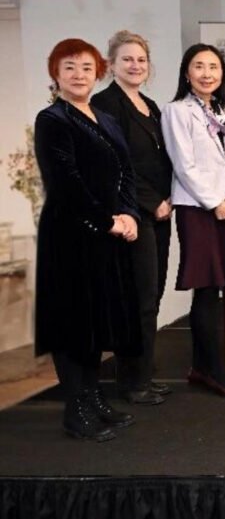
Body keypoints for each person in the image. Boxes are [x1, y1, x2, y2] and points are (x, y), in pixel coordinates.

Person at [35, 38, 139, 441]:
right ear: (56, 74)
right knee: (73, 322)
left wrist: (128, 214)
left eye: (86, 67)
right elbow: (66, 181)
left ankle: (94, 397)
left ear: (98, 72)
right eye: (69, 67)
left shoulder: (105, 118)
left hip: (107, 234)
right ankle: (75, 408)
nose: (79, 75)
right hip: (70, 235)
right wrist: (105, 220)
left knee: (97, 320)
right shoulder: (52, 119)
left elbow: (125, 172)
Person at [92, 30, 173, 406]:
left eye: (141, 60)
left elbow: (160, 159)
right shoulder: (105, 104)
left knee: (152, 296)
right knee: (138, 299)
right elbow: (115, 163)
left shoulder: (150, 105)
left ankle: (143, 375)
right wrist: (151, 202)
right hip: (133, 215)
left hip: (160, 212)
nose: (135, 65)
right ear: (111, 65)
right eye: (127, 59)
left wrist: (168, 197)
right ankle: (133, 382)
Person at [162, 44, 225, 398]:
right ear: (187, 73)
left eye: (213, 66)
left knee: (215, 287)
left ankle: (201, 366)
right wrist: (215, 203)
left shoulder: (223, 111)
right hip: (198, 209)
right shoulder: (176, 111)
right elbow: (184, 165)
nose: (207, 73)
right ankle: (212, 369)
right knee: (206, 288)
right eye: (199, 66)